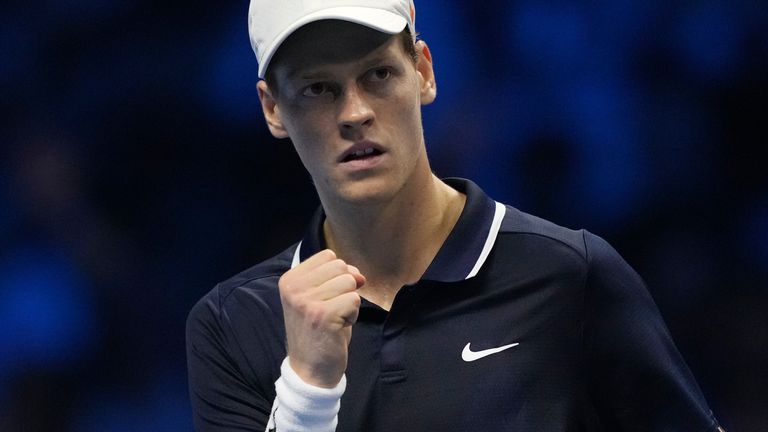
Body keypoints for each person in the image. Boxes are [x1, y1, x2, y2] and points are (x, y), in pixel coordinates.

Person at [186, 1, 725, 430]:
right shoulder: (233, 325)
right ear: (273, 108)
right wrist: (308, 387)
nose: (354, 113)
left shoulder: (571, 275)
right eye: (318, 88)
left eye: (377, 74)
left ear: (422, 72)